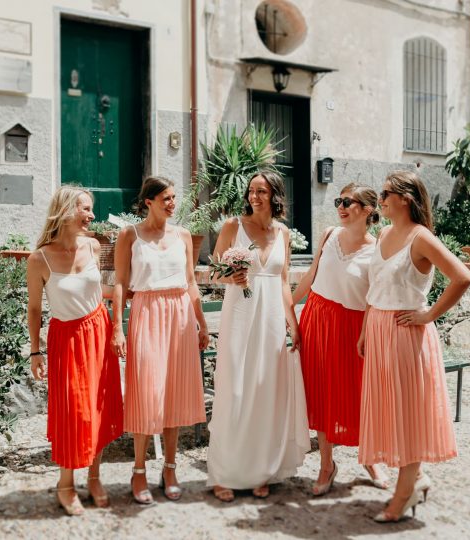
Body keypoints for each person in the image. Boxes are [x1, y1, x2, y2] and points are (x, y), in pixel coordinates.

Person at [357, 171, 470, 522]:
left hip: (407, 335)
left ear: (405, 198)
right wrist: (365, 330)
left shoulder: (421, 238)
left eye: (386, 193)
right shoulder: (383, 234)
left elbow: (463, 277)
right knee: (390, 409)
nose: (381, 199)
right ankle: (417, 478)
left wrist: (428, 315)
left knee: (406, 413)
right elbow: (374, 287)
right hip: (378, 330)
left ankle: (403, 495)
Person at [207, 170, 310, 502]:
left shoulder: (282, 233)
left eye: (261, 191)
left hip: (270, 320)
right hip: (240, 316)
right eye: (251, 191)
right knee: (234, 391)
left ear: (275, 195)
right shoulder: (232, 227)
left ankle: (261, 470)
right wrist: (231, 276)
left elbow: (282, 282)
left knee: (266, 392)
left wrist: (292, 323)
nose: (254, 196)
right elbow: (212, 273)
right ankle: (224, 474)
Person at [111, 176, 209, 505]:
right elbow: (121, 284)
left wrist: (202, 322)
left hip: (180, 312)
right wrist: (117, 327)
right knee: (145, 391)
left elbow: (192, 282)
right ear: (148, 201)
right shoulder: (129, 235)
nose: (172, 203)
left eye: (174, 197)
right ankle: (138, 470)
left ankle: (170, 468)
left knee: (174, 393)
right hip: (147, 311)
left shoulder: (182, 235)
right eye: (165, 198)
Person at [27, 187, 124, 516]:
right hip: (66, 340)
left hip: (99, 331)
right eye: (85, 209)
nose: (92, 216)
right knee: (73, 412)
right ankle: (65, 484)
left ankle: (94, 479)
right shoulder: (39, 258)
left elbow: (106, 288)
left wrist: (124, 320)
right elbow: (34, 310)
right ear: (66, 211)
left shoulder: (95, 247)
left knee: (98, 408)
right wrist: (34, 352)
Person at [291, 183, 391, 496]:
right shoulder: (329, 235)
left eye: (348, 202)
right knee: (321, 393)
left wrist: (367, 333)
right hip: (317, 319)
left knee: (359, 395)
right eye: (339, 201)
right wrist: (286, 309)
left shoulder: (377, 249)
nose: (341, 207)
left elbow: (375, 296)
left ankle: (370, 458)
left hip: (353, 327)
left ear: (368, 210)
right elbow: (310, 276)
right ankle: (326, 464)